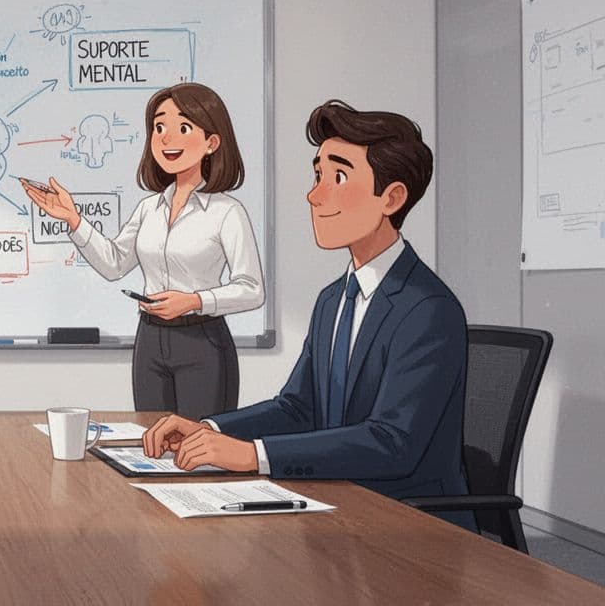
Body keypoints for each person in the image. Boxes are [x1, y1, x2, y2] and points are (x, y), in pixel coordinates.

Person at [144, 100, 476, 532]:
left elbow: (392, 443)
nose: (314, 195)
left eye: (338, 176)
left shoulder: (427, 309)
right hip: (342, 504)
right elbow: (299, 408)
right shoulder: (332, 299)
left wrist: (253, 454)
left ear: (391, 198)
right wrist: (209, 427)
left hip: (412, 524)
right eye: (318, 175)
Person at [23, 82, 264, 419]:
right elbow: (113, 265)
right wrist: (74, 220)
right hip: (150, 340)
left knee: (199, 452)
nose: (166, 138)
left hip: (201, 340)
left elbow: (252, 289)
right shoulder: (148, 208)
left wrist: (195, 300)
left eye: (182, 127)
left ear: (212, 142)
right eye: (159, 127)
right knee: (152, 447)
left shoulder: (227, 211)